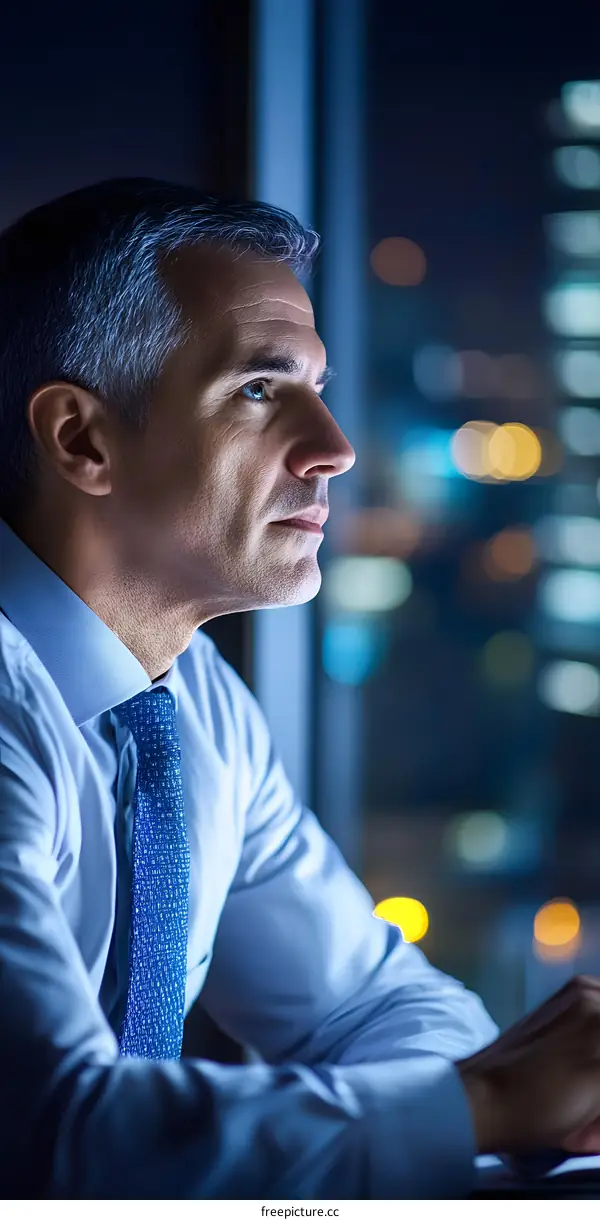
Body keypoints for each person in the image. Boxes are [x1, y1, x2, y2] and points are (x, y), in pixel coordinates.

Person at [0, 178, 600, 1202]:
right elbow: (49, 1131)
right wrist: (486, 1102)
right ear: (81, 440)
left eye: (319, 386)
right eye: (260, 390)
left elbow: (367, 1003)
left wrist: (483, 1095)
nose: (335, 446)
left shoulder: (192, 706)